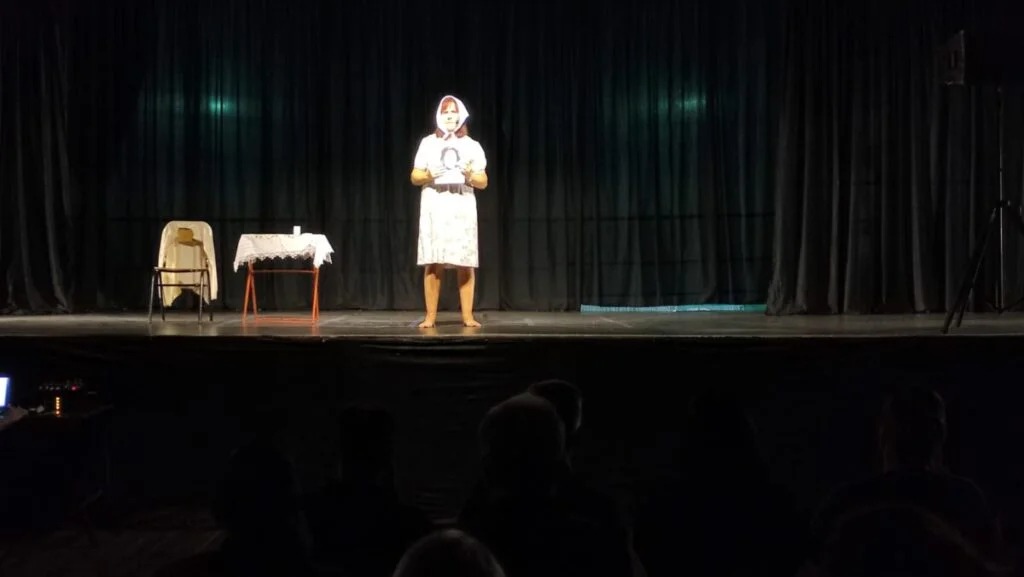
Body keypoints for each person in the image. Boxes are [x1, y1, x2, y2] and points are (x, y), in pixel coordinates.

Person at [410, 94, 489, 328]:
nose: (449, 116)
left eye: (453, 111)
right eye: (445, 112)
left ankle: (467, 316)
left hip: (461, 206)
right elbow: (415, 176)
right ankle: (430, 317)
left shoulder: (471, 145)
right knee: (433, 261)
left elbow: (483, 181)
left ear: (461, 115)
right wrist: (429, 175)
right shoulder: (428, 143)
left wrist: (469, 175)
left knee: (465, 261)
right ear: (438, 115)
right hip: (435, 205)